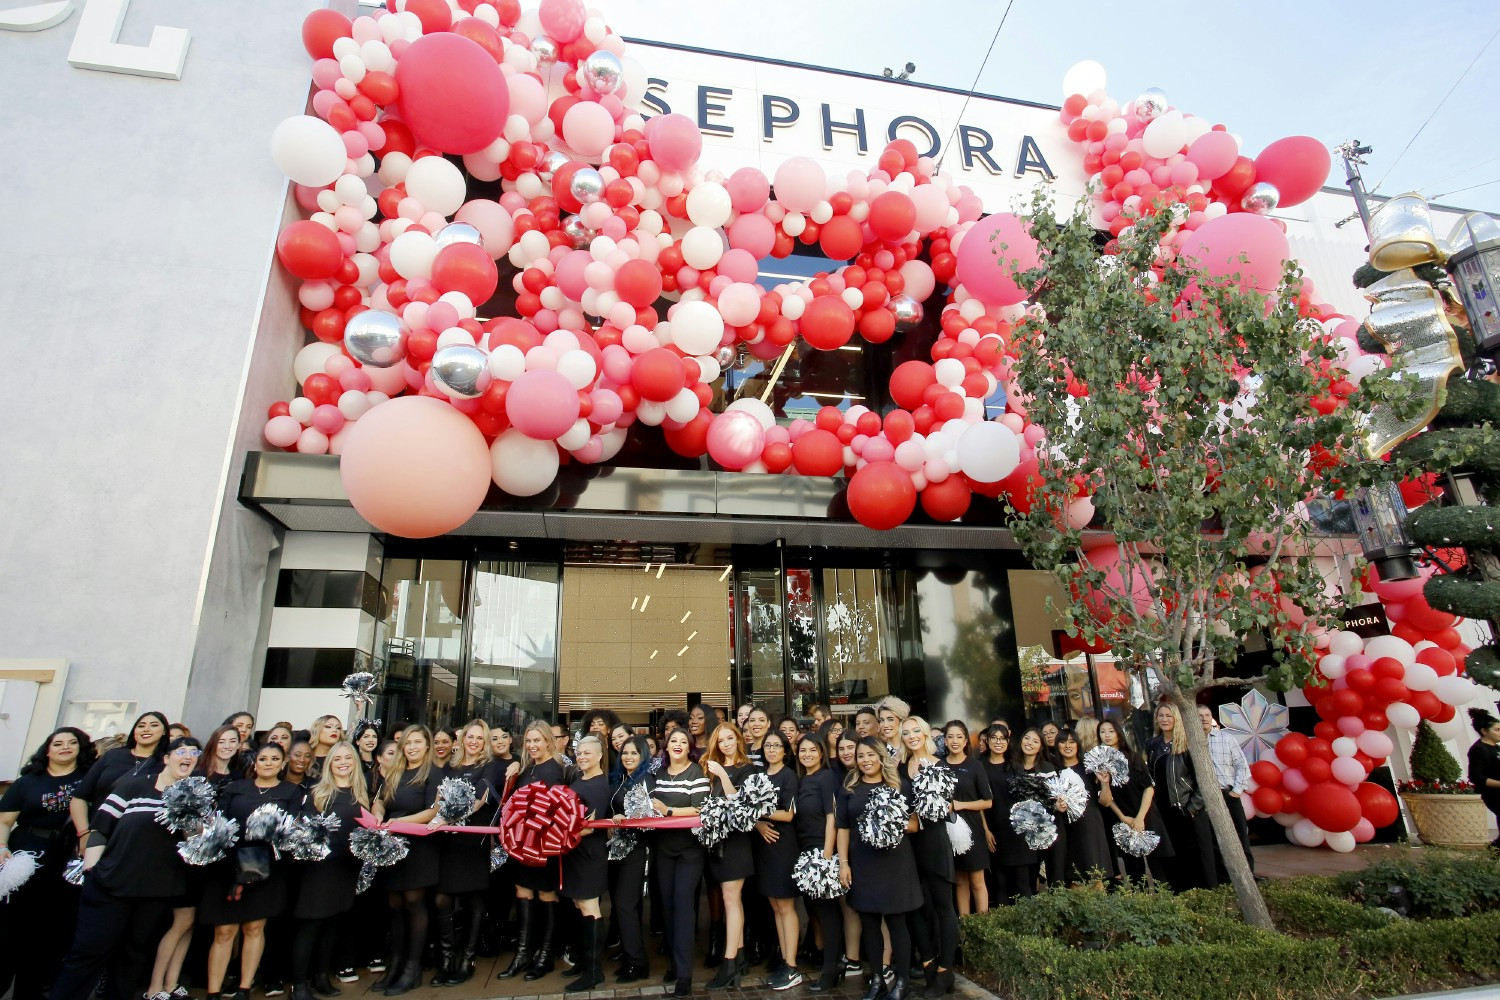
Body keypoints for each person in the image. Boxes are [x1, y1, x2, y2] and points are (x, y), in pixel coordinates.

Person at [51, 737, 201, 1000]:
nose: (187, 756)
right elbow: (100, 829)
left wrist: (192, 816)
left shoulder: (194, 797)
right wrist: (92, 873)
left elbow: (194, 845)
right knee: (88, 954)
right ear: (166, 758)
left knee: (132, 957)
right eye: (181, 751)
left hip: (155, 892)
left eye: (193, 752)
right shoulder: (134, 786)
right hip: (110, 886)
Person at [200, 741, 306, 1000]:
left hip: (265, 866)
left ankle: (244, 988)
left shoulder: (291, 791)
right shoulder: (236, 788)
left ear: (282, 764)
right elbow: (219, 820)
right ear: (254, 763)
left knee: (254, 928)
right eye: (263, 758)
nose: (268, 763)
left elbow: (292, 827)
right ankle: (213, 991)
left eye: (274, 759)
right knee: (224, 930)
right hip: (229, 863)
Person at [0, 727, 95, 1000]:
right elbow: (4, 821)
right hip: (26, 857)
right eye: (58, 743)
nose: (65, 747)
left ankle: (31, 990)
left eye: (72, 743)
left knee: (51, 929)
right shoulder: (29, 781)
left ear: (81, 747)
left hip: (66, 859)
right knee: (12, 926)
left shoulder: (89, 778)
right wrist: (2, 847)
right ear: (47, 749)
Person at [838, 737, 920, 1000]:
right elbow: (842, 828)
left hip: (895, 864)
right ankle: (877, 979)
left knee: (897, 923)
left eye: (871, 755)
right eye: (861, 756)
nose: (866, 760)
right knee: (869, 923)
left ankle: (902, 981)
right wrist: (843, 864)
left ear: (881, 756)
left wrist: (888, 820)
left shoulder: (899, 785)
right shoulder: (850, 789)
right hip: (863, 863)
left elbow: (915, 826)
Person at [290, 741, 368, 1000]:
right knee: (311, 925)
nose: (343, 762)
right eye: (338, 758)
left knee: (332, 923)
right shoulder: (318, 792)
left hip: (347, 867)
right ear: (330, 763)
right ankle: (299, 985)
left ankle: (321, 976)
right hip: (320, 868)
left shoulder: (361, 792)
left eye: (348, 757)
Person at [372, 726, 443, 996]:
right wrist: (379, 814)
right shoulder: (394, 772)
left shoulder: (433, 773)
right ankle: (396, 965)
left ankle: (412, 970)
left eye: (418, 742)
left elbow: (433, 811)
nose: (412, 746)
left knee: (414, 903)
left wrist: (398, 822)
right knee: (395, 904)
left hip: (419, 846)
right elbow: (380, 801)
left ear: (427, 745)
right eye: (408, 742)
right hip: (392, 845)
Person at [498, 720, 572, 982]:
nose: (532, 746)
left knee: (546, 894)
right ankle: (523, 953)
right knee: (523, 890)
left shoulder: (554, 770)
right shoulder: (528, 767)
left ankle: (545, 955)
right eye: (528, 741)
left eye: (537, 740)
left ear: (549, 742)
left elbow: (553, 811)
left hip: (543, 845)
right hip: (522, 845)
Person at [431, 720, 494, 987]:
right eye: (470, 736)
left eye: (480, 738)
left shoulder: (489, 767)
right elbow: (437, 799)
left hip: (472, 841)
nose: (474, 741)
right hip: (448, 842)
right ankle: (446, 959)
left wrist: (448, 818)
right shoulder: (450, 767)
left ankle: (467, 959)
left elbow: (478, 800)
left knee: (474, 900)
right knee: (442, 899)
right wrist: (439, 817)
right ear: (462, 738)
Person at [897, 718, 956, 998]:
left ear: (924, 733)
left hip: (933, 842)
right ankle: (929, 962)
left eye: (915, 731)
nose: (911, 736)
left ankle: (946, 970)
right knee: (914, 908)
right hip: (908, 847)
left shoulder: (940, 764)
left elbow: (947, 807)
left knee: (943, 907)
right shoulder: (898, 768)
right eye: (905, 733)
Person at [648, 727, 708, 998]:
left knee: (684, 906)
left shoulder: (696, 772)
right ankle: (674, 962)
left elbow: (700, 809)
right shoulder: (658, 774)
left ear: (690, 747)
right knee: (668, 906)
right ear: (666, 746)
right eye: (674, 740)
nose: (678, 744)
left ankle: (684, 974)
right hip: (663, 848)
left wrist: (668, 810)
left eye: (684, 741)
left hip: (690, 851)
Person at [702, 722, 757, 988]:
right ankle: (741, 955)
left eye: (729, 738)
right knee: (731, 901)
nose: (725, 744)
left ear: (737, 739)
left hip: (737, 844)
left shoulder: (747, 769)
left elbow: (741, 807)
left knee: (731, 900)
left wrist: (724, 775)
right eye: (720, 740)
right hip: (717, 844)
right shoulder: (711, 769)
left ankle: (730, 961)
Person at [792, 735, 844, 993]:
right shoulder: (801, 780)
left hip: (820, 852)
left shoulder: (826, 778)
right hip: (804, 851)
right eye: (803, 750)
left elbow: (832, 816)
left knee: (827, 912)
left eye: (813, 750)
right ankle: (829, 963)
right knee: (816, 911)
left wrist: (825, 855)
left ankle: (831, 969)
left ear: (822, 753)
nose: (808, 754)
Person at [1147, 703, 1218, 890]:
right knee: (1172, 856)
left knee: (1196, 858)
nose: (1164, 719)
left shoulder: (1188, 744)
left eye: (1169, 716)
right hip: (1163, 810)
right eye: (1160, 715)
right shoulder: (1153, 744)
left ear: (1177, 718)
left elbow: (1204, 781)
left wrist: (1192, 808)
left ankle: (1203, 895)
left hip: (1186, 809)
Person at [561, 735, 612, 993]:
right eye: (579, 753)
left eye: (587, 753)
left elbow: (590, 825)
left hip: (589, 854)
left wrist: (557, 835)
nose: (581, 757)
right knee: (579, 904)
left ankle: (594, 971)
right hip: (573, 853)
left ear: (600, 755)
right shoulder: (579, 780)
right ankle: (583, 961)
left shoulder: (601, 785)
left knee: (590, 906)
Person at [752, 731, 801, 990]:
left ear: (785, 750)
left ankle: (792, 966)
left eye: (777, 746)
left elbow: (789, 814)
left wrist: (756, 813)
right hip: (764, 848)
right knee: (775, 906)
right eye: (768, 746)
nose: (771, 750)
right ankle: (784, 958)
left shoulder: (789, 775)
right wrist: (758, 822)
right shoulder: (759, 776)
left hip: (783, 847)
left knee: (786, 905)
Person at [1096, 720, 1173, 883]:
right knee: (1134, 870)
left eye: (1111, 731)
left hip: (1146, 814)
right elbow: (1106, 800)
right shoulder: (1099, 763)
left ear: (1118, 733)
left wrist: (1140, 818)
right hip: (1123, 818)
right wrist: (1123, 818)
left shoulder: (1133, 757)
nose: (1107, 735)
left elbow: (1149, 788)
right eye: (1103, 731)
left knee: (1158, 867)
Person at [69, 711, 169, 832]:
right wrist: (83, 833)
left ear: (164, 731)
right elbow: (79, 797)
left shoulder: (167, 762)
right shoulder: (112, 756)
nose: (146, 729)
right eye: (141, 726)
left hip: (137, 834)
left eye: (154, 725)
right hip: (98, 830)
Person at [608, 735, 653, 984]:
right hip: (617, 849)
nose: (628, 757)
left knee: (626, 904)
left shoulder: (647, 780)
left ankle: (637, 962)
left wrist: (628, 817)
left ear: (644, 755)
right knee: (624, 905)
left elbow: (650, 813)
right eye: (625, 753)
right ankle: (630, 956)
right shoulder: (620, 779)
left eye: (634, 753)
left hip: (638, 848)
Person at [979, 725, 1037, 904]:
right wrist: (985, 830)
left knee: (1023, 883)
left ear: (1008, 742)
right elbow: (979, 801)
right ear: (987, 741)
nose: (998, 742)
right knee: (1000, 884)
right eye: (994, 738)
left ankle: (1030, 927)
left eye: (1002, 738)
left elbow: (1025, 799)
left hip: (1017, 831)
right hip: (994, 830)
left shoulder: (1016, 766)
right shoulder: (980, 766)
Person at [940, 720, 993, 915]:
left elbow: (988, 802)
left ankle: (983, 925)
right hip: (949, 830)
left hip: (973, 829)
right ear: (944, 740)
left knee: (977, 881)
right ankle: (965, 927)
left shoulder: (975, 766)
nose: (954, 741)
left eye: (959, 737)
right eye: (950, 737)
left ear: (965, 741)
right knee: (960, 880)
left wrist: (960, 805)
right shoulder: (939, 766)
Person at [1197, 705, 1254, 875]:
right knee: (1214, 839)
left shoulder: (1226, 738)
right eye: (1200, 716)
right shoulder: (1190, 741)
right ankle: (1223, 877)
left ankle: (1248, 874)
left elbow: (1242, 766)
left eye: (1207, 715)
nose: (1204, 718)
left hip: (1228, 794)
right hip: (1205, 798)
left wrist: (1236, 792)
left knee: (1240, 836)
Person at [1055, 727, 1111, 885]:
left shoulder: (1089, 768)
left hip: (1090, 826)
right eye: (1063, 741)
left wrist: (1105, 784)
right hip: (1065, 829)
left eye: (1072, 742)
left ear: (1078, 744)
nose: (1068, 745)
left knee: (1096, 878)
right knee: (1073, 880)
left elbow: (1105, 802)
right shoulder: (1053, 770)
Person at [1014, 726, 1067, 886]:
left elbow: (1055, 800)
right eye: (1027, 738)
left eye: (1035, 741)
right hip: (1024, 833)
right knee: (1028, 880)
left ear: (1041, 747)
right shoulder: (1012, 767)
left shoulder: (1048, 769)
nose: (1029, 743)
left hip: (1050, 828)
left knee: (1055, 877)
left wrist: (1058, 806)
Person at [1467, 708, 1500, 849]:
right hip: (1494, 795)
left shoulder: (1496, 747)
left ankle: (1495, 851)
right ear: (1484, 731)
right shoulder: (1478, 750)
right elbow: (1476, 777)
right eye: (1497, 730)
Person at [306, 716, 344, 782]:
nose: (335, 730)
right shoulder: (304, 757)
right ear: (317, 729)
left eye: (338, 728)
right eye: (328, 727)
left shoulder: (342, 759)